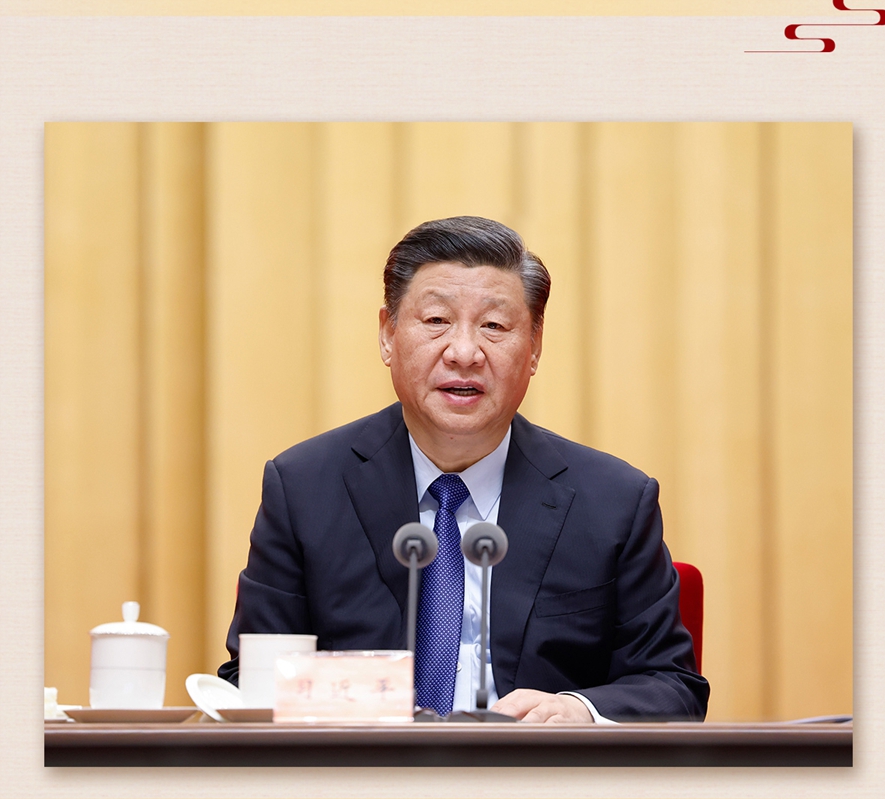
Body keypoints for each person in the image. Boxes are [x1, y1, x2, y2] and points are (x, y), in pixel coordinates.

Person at [219, 213, 708, 725]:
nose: (464, 352)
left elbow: (673, 686)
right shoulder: (304, 488)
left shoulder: (612, 501)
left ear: (535, 347)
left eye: (494, 326)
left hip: (538, 772)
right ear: (387, 334)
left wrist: (579, 711)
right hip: (364, 771)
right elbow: (248, 682)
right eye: (436, 321)